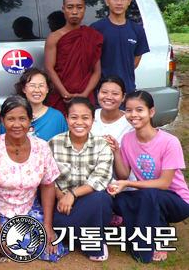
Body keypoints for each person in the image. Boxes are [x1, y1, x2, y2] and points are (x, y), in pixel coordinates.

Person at [0, 95, 68, 262]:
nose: (17, 124)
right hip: (0, 211)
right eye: (11, 119)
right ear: (3, 121)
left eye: (22, 119)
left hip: (29, 207)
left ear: (29, 121)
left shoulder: (41, 147)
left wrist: (48, 226)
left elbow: (48, 186)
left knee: (51, 249)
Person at [108, 91, 189, 264]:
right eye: (128, 110)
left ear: (151, 112)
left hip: (176, 201)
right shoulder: (128, 139)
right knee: (118, 200)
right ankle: (149, 227)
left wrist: (128, 183)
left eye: (139, 110)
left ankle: (160, 239)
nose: (133, 115)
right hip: (148, 196)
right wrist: (116, 150)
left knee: (151, 193)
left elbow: (164, 184)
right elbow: (123, 174)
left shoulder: (169, 142)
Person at [48, 97, 114, 261]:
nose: (79, 122)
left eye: (85, 117)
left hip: (92, 204)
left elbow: (101, 179)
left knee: (100, 198)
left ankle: (90, 243)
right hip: (62, 204)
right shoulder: (54, 143)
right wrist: (62, 197)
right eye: (74, 117)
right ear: (67, 118)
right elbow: (48, 179)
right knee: (61, 221)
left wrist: (72, 194)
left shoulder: (102, 144)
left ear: (93, 119)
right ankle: (84, 234)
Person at [44, 0, 103, 115]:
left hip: (85, 94)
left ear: (84, 9)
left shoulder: (91, 36)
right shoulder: (54, 37)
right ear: (64, 9)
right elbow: (49, 68)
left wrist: (85, 94)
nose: (75, 12)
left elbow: (96, 71)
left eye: (79, 7)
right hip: (60, 94)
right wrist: (64, 93)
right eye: (70, 7)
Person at [90, 0, 150, 94]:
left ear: (129, 1)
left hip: (127, 90)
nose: (119, 2)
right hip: (102, 92)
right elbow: (91, 62)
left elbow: (135, 62)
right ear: (107, 1)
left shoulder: (137, 30)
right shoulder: (96, 28)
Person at [92, 75, 137, 197]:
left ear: (123, 97)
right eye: (104, 92)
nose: (109, 97)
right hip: (93, 184)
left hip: (124, 187)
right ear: (97, 93)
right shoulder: (90, 117)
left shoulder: (130, 122)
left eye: (115, 93)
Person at [0, 67, 67, 141]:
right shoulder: (11, 114)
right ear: (23, 89)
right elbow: (1, 145)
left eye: (41, 85)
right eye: (32, 85)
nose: (37, 90)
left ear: (47, 89)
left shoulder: (57, 117)